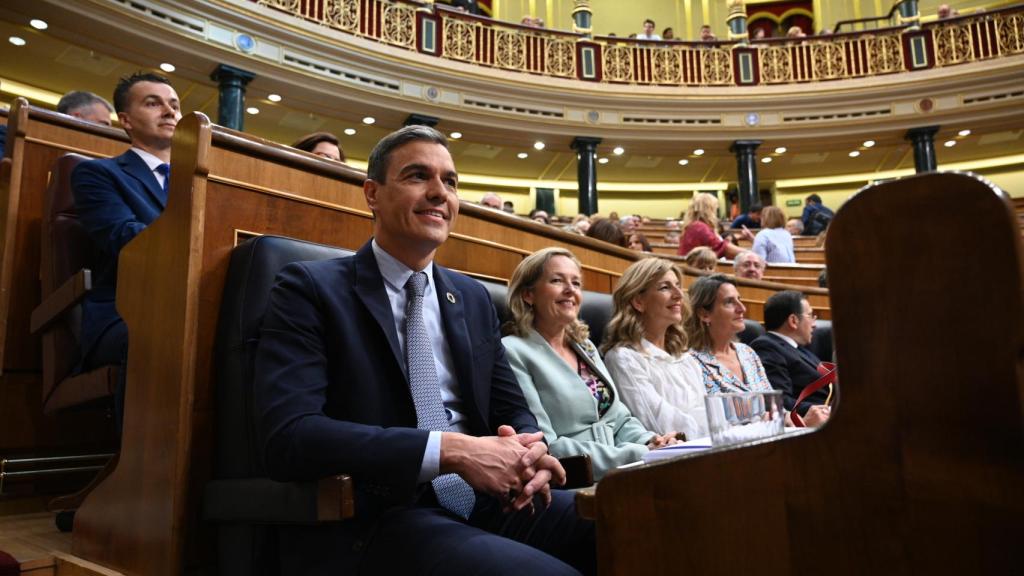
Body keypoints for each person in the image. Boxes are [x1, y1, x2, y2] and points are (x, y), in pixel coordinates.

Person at [253, 125, 594, 575]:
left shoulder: (471, 298)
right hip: (381, 516)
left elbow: (514, 411)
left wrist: (532, 451)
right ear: (372, 193)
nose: (439, 193)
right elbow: (290, 437)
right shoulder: (309, 288)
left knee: (648, 520)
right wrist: (449, 451)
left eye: (450, 182)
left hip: (492, 502)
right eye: (418, 176)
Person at [502, 248, 678, 480]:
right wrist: (640, 453)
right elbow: (545, 444)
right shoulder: (513, 350)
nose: (570, 290)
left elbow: (619, 420)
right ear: (528, 295)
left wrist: (650, 440)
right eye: (557, 280)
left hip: (621, 470)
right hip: (575, 479)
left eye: (576, 283)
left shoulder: (585, 347)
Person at [71, 72, 181, 427]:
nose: (169, 111)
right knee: (169, 337)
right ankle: (143, 470)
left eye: (175, 105)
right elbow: (127, 237)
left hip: (193, 304)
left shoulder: (203, 180)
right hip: (127, 314)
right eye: (153, 103)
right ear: (126, 120)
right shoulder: (97, 174)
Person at [602, 259, 708, 440]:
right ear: (638, 301)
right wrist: (717, 426)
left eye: (678, 286)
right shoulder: (623, 358)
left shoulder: (685, 358)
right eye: (665, 287)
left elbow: (706, 409)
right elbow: (660, 425)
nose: (678, 295)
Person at [750, 291, 831, 426]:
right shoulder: (766, 346)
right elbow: (781, 399)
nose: (815, 324)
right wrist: (821, 409)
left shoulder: (799, 348)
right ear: (793, 320)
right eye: (810, 316)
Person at [684, 274, 772, 394]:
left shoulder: (747, 352)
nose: (742, 308)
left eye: (739, 300)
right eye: (729, 302)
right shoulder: (689, 362)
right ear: (705, 315)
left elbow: (771, 403)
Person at [678, 192, 752, 258]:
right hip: (698, 268)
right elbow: (722, 248)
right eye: (715, 208)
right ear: (708, 209)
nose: (716, 212)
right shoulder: (699, 227)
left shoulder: (694, 225)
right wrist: (751, 254)